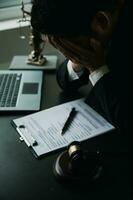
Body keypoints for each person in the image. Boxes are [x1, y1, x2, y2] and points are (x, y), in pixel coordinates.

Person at [31, 0, 132, 152]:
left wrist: (96, 67)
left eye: (72, 45)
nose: (67, 50)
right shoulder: (87, 18)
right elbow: (64, 80)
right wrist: (76, 62)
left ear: (102, 22)